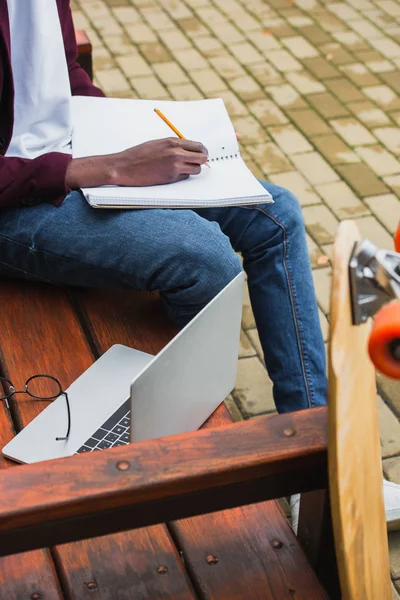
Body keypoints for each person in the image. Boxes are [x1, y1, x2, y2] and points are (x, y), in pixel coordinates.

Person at [0, 0, 398, 530]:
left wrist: (120, 132)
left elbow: (61, 67)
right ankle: (184, 430)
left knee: (275, 213)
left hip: (77, 156)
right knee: (205, 258)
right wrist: (109, 167)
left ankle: (316, 462)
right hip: (20, 204)